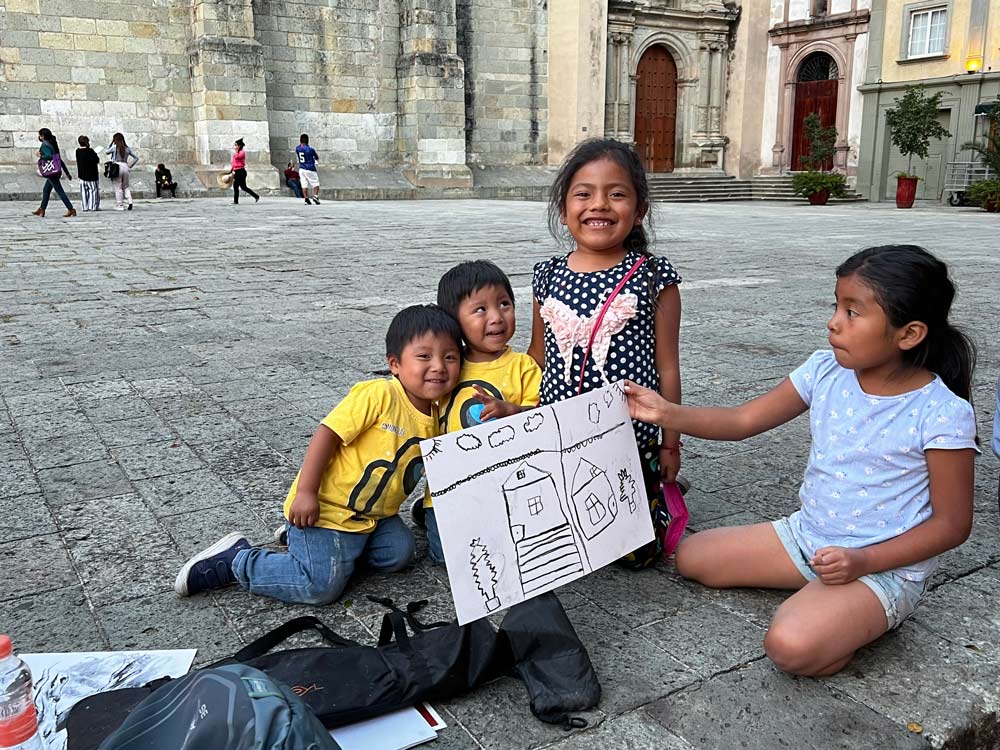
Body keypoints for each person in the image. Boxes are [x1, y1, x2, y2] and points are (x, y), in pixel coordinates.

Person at [623, 245, 978, 677]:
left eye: (853, 312)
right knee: (691, 557)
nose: (833, 323)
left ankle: (864, 611)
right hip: (807, 539)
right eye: (836, 305)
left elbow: (953, 525)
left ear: (908, 334)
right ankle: (827, 599)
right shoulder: (825, 370)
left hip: (882, 567)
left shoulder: (941, 412)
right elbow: (743, 419)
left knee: (790, 647)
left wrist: (864, 563)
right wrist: (665, 413)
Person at [174, 305, 462, 605]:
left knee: (400, 554)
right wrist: (306, 493)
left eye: (450, 357)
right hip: (327, 510)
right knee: (320, 587)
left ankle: (313, 549)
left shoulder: (442, 413)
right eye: (424, 356)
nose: (439, 366)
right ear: (395, 364)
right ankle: (237, 560)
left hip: (372, 518)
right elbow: (327, 435)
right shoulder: (380, 395)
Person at [527, 138, 683, 569]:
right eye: (584, 193)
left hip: (629, 433)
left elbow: (668, 366)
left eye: (616, 194)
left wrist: (671, 443)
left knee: (635, 554)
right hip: (560, 430)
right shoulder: (546, 276)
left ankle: (647, 500)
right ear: (564, 208)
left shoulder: (654, 277)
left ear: (639, 209)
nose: (599, 205)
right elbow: (537, 356)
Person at [418, 260, 542, 565]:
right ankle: (427, 511)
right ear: (453, 320)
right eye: (480, 310)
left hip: (506, 487)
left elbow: (542, 419)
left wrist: (512, 411)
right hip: (450, 490)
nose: (497, 318)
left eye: (504, 304)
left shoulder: (523, 367)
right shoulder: (448, 367)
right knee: (449, 557)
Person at [32, 128, 75, 218]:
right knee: (46, 190)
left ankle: (71, 209)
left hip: (51, 172)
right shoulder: (53, 144)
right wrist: (67, 172)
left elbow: (49, 156)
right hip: (56, 171)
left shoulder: (45, 145)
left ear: (42, 136)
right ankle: (42, 209)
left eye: (40, 135)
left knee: (59, 191)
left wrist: (41, 156)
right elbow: (58, 159)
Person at [105, 132, 139, 211]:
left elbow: (106, 151)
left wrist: (110, 143)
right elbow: (136, 158)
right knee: (126, 186)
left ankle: (119, 204)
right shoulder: (127, 148)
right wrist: (129, 166)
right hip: (125, 166)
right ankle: (130, 201)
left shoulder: (114, 147)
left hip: (117, 167)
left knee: (118, 187)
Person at [228, 138, 259, 205]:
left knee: (235, 185)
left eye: (236, 145)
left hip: (241, 171)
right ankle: (256, 196)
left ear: (239, 146)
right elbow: (234, 163)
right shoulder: (236, 153)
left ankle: (235, 201)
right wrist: (231, 170)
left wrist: (236, 151)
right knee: (243, 187)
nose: (235, 147)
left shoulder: (242, 153)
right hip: (237, 171)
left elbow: (237, 157)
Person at [75, 135, 100, 212]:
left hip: (82, 174)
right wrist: (95, 153)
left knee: (83, 192)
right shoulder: (90, 151)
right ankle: (92, 206)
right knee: (93, 190)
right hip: (91, 175)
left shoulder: (78, 151)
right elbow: (96, 160)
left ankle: (85, 207)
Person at [295, 133, 320, 205]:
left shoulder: (297, 148)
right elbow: (316, 157)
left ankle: (306, 198)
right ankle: (315, 196)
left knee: (304, 184)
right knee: (315, 183)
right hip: (310, 168)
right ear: (307, 140)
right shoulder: (310, 149)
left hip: (302, 168)